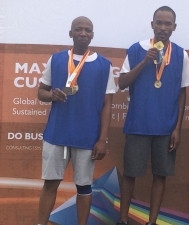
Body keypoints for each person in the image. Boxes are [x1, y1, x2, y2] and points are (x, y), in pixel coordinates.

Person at [37, 16, 116, 225]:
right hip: (57, 134)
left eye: (87, 30)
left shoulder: (104, 66)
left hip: (87, 137)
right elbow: (41, 92)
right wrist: (52, 95)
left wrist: (102, 139)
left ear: (92, 34)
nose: (83, 33)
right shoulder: (56, 60)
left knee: (84, 187)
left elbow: (108, 105)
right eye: (78, 29)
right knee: (50, 184)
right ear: (70, 33)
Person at [116, 6, 189, 225]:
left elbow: (182, 93)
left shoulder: (181, 54)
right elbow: (122, 83)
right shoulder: (136, 49)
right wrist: (145, 61)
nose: (163, 28)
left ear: (174, 27)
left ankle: (152, 221)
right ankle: (123, 220)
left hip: (166, 128)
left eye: (168, 24)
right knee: (130, 174)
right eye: (159, 22)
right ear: (152, 24)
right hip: (138, 124)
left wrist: (177, 128)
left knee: (160, 175)